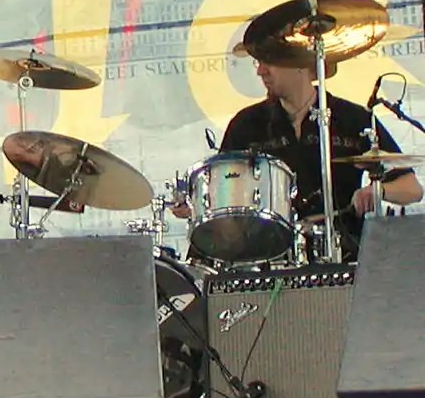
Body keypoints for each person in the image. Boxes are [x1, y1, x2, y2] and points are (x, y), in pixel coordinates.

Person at [175, 57, 422, 261]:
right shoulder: (247, 124)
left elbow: (412, 189)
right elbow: (223, 190)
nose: (261, 71)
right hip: (269, 255)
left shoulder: (353, 118)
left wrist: (377, 191)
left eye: (269, 61)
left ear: (301, 65)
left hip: (347, 252)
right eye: (258, 63)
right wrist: (198, 206)